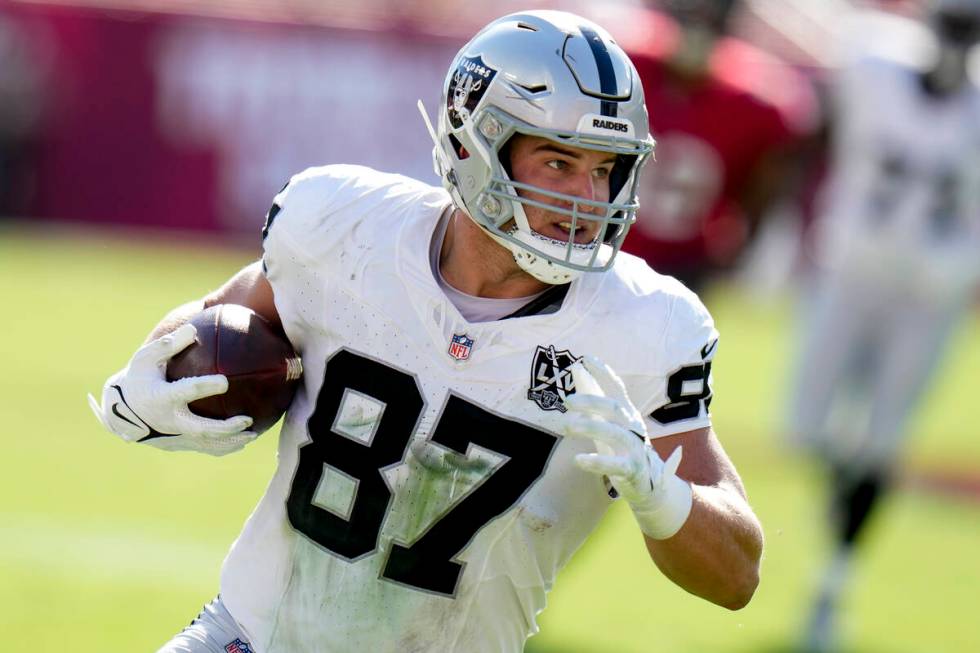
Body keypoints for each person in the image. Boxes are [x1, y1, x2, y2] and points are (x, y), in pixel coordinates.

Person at [88, 10, 764, 652]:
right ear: (477, 144)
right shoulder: (344, 225)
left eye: (605, 168)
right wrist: (155, 374)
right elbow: (227, 319)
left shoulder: (646, 324)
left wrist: (659, 490)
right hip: (251, 635)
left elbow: (738, 575)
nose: (588, 200)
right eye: (559, 163)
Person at [788, 2, 980, 651]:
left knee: (883, 439)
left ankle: (834, 580)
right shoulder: (871, 63)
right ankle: (846, 491)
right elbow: (818, 127)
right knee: (805, 426)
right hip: (850, 271)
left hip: (931, 292)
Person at [623, 0, 818, 292]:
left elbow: (771, 177)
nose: (697, 32)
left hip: (685, 262)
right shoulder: (626, 67)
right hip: (610, 240)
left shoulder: (756, 104)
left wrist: (740, 239)